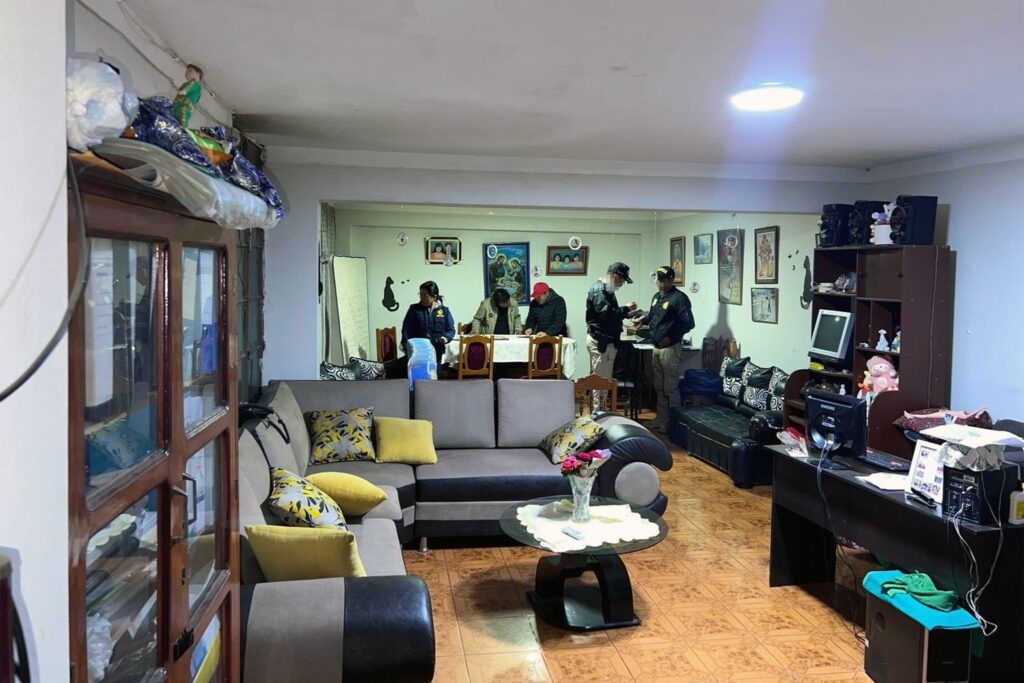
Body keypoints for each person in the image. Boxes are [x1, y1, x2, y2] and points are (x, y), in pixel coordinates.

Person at [628, 266, 695, 432]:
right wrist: (641, 322)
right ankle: (661, 418)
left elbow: (688, 323)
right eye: (659, 281)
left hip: (670, 348)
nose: (661, 284)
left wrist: (670, 338)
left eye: (665, 281)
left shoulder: (679, 298)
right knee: (658, 385)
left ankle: (673, 423)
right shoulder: (657, 296)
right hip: (656, 346)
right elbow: (653, 316)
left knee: (670, 386)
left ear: (672, 280)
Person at [585, 262, 636, 408]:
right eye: (622, 280)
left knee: (605, 381)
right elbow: (607, 315)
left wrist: (627, 314)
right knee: (600, 382)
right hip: (600, 341)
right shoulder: (599, 291)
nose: (622, 284)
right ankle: (597, 413)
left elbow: (609, 315)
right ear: (615, 276)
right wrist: (626, 309)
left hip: (606, 340)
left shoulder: (607, 290)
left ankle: (601, 411)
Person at [401, 281, 455, 362]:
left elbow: (451, 329)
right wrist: (407, 349)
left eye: (425, 295)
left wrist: (446, 337)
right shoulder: (414, 309)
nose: (421, 298)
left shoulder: (444, 311)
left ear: (434, 297)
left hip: (436, 352)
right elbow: (406, 330)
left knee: (434, 370)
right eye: (420, 294)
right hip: (417, 352)